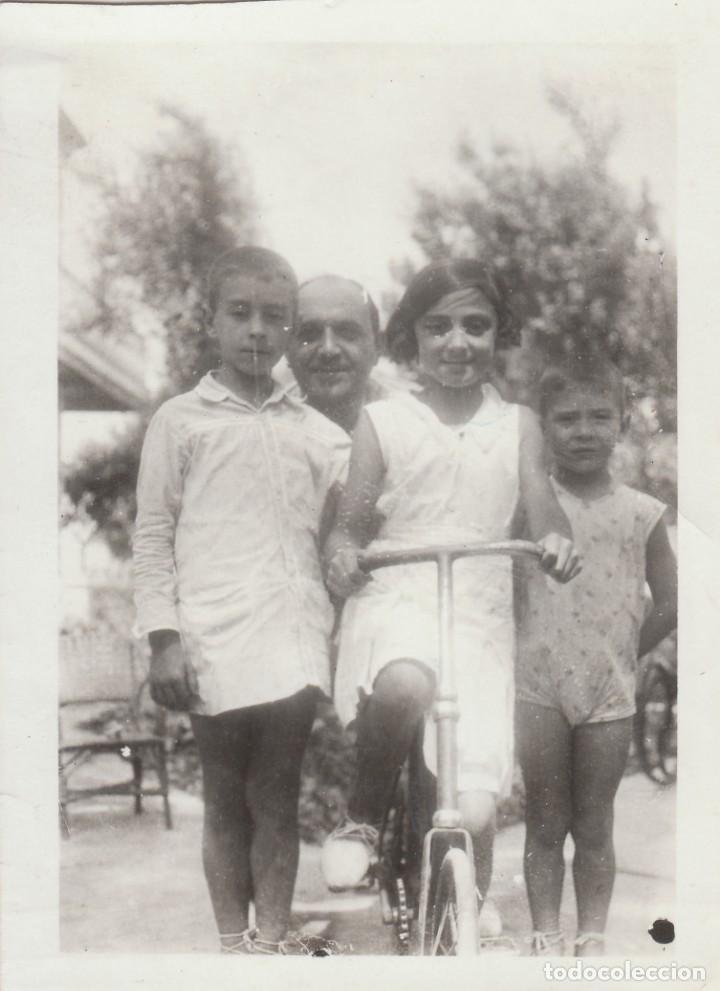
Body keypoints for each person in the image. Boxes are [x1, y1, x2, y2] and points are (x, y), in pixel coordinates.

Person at [319, 258, 581, 943]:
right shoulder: (384, 420)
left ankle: (464, 901)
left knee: (472, 806)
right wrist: (343, 552)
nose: (457, 342)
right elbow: (351, 522)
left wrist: (554, 536)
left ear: (499, 333)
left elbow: (540, 500)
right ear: (412, 337)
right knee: (407, 680)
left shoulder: (518, 423)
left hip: (479, 603)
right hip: (400, 586)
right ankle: (365, 815)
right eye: (438, 327)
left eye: (476, 325)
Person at [132, 246, 349, 955]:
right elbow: (153, 534)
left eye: (275, 317)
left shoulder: (317, 430)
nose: (258, 330)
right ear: (211, 321)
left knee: (277, 794)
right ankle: (234, 946)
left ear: (290, 328)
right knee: (225, 797)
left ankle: (274, 942)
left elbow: (355, 517)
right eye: (241, 313)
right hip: (212, 636)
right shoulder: (181, 421)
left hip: (292, 632)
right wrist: (163, 636)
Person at [514, 354, 677, 957]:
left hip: (609, 690)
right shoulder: (531, 505)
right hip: (538, 685)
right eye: (566, 419)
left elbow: (673, 599)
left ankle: (591, 937)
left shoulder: (642, 511)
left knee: (594, 823)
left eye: (598, 417)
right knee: (544, 821)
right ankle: (543, 936)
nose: (583, 431)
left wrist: (623, 653)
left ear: (622, 423)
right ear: (545, 428)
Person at [286, 274, 384, 433]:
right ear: (286, 349)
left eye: (348, 334)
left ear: (378, 347)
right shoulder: (267, 428)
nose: (328, 350)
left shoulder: (412, 426)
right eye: (309, 334)